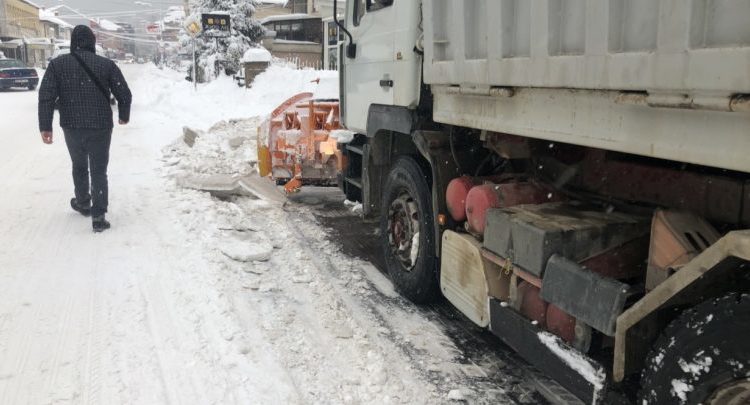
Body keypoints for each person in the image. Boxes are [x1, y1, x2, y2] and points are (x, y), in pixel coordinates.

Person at [38, 25, 132, 232]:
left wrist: (46, 126)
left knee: (79, 165)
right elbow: (124, 93)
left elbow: (46, 97)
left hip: (72, 125)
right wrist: (124, 115)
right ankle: (98, 216)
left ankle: (82, 202)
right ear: (92, 41)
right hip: (100, 126)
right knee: (99, 169)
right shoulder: (106, 64)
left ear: (73, 41)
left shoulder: (57, 65)